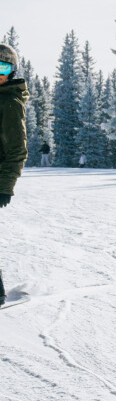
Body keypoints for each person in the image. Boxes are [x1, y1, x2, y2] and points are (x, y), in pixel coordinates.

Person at [0, 42, 29, 306]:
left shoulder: (9, 101)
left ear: (11, 70)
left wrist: (6, 186)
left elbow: (18, 150)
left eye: (3, 66)